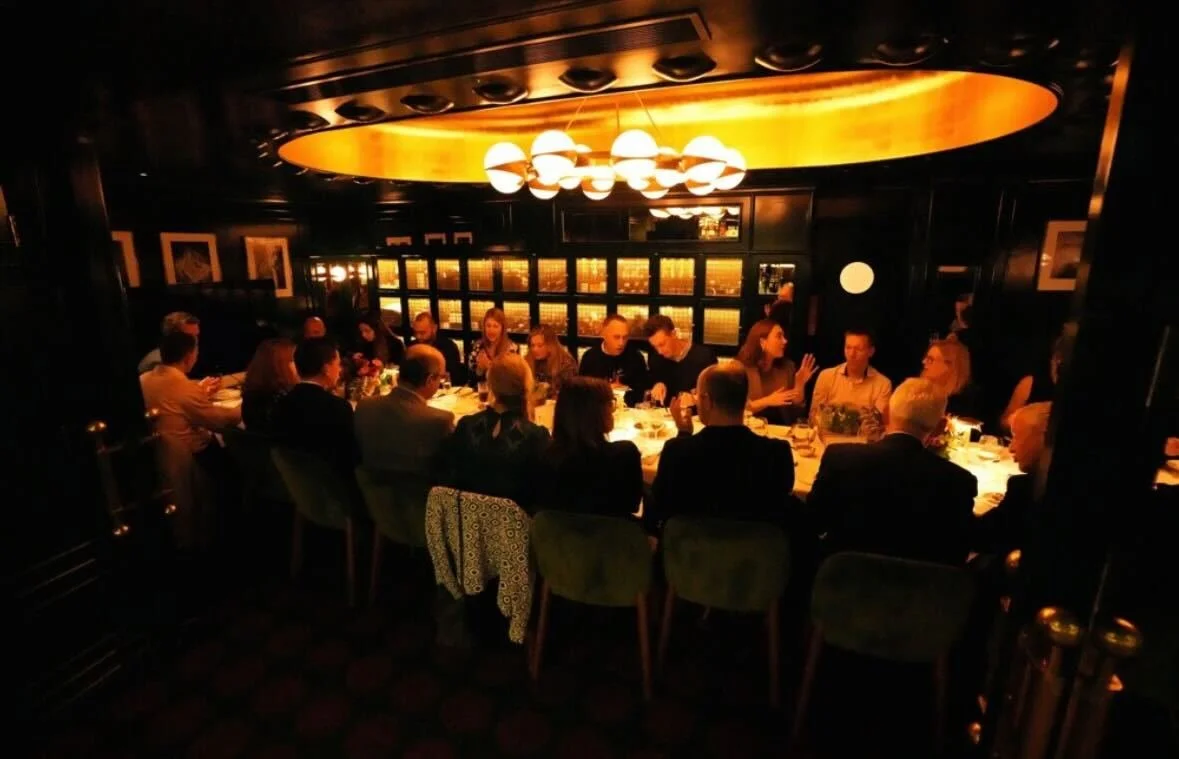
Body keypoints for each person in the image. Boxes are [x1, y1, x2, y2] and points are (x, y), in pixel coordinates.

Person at [807, 377, 977, 565]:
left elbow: (813, 522)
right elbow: (956, 553)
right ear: (940, 427)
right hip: (918, 590)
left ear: (887, 413)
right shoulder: (959, 482)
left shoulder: (840, 458)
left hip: (843, 581)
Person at [649, 361, 799, 532]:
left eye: (698, 396)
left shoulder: (677, 451)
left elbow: (659, 504)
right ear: (744, 398)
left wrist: (683, 436)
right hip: (755, 553)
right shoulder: (777, 453)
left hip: (691, 553)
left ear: (706, 401)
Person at [445, 354, 550, 513]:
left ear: (491, 386)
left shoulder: (466, 426)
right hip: (515, 531)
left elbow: (451, 477)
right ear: (526, 387)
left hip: (466, 525)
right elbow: (542, 493)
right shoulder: (536, 436)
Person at [355, 344, 454, 496]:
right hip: (423, 509)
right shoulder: (439, 421)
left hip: (376, 506)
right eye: (440, 376)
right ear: (430, 379)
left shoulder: (365, 407)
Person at [539, 376, 644, 519]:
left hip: (560, 539)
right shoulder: (624, 455)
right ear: (596, 412)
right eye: (610, 404)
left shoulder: (547, 456)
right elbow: (633, 504)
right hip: (613, 538)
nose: (613, 411)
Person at [270, 337, 359, 480]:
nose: (340, 369)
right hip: (337, 489)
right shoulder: (337, 408)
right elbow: (351, 458)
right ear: (326, 369)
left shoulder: (281, 404)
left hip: (299, 486)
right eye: (337, 364)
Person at [974, 402, 1051, 555]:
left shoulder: (1027, 488)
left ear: (1046, 437)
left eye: (1016, 437)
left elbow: (980, 537)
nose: (1011, 448)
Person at [736, 319, 817, 425]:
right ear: (762, 342)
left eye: (784, 336)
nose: (785, 341)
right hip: (749, 430)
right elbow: (735, 410)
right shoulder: (740, 368)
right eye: (779, 336)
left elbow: (796, 414)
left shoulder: (787, 367)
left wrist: (799, 385)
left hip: (780, 431)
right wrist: (768, 401)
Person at [809, 328, 893, 419]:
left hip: (864, 433)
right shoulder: (826, 376)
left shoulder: (883, 384)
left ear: (871, 352)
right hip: (826, 433)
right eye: (848, 348)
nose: (852, 354)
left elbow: (878, 423)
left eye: (859, 349)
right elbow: (814, 416)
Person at [577, 313, 650, 406]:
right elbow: (582, 392)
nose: (621, 343)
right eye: (616, 337)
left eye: (625, 337)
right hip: (598, 411)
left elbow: (642, 391)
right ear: (604, 334)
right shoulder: (590, 357)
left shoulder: (636, 357)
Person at [643, 314, 717, 405]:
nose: (659, 351)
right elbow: (652, 383)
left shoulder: (704, 356)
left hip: (695, 417)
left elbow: (716, 394)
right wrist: (657, 384)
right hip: (664, 416)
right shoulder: (656, 358)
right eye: (655, 347)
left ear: (674, 334)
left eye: (662, 344)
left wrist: (695, 399)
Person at [1000, 336, 1064, 432]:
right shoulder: (1030, 383)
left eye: (1063, 363)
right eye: (1056, 360)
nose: (1058, 368)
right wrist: (1020, 419)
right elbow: (1003, 423)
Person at [240, 337, 298, 435]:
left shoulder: (250, 396)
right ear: (279, 367)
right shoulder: (283, 403)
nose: (298, 366)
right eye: (293, 360)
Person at [921, 339, 981, 418]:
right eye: (926, 358)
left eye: (930, 359)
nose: (923, 361)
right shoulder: (917, 392)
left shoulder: (962, 407)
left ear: (949, 366)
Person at [466, 307, 517, 387]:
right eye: (488, 326)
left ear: (502, 328)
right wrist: (480, 368)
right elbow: (471, 380)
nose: (491, 330)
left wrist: (489, 367)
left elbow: (511, 380)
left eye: (495, 326)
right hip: (481, 394)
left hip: (503, 394)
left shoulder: (511, 349)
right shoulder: (478, 347)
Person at [409, 311, 465, 385]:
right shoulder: (412, 347)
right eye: (416, 333)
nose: (418, 336)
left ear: (434, 328)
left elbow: (454, 377)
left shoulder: (448, 347)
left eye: (422, 333)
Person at [524, 324, 577, 399]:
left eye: (540, 345)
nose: (535, 349)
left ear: (551, 345)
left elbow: (569, 393)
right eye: (532, 345)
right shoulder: (527, 360)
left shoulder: (566, 364)